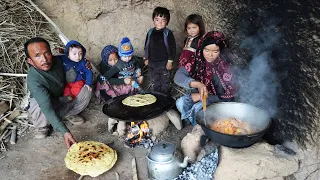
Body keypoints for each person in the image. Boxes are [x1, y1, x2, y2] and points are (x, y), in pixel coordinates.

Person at [25, 37, 92, 148]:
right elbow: (46, 106)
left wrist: (85, 63)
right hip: (48, 102)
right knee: (38, 104)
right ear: (30, 61)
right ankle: (42, 126)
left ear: (51, 53)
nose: (44, 59)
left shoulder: (59, 60)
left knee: (86, 90)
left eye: (47, 53)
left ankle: (68, 114)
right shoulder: (33, 79)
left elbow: (74, 59)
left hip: (63, 97)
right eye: (37, 56)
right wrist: (64, 131)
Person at [174, 31, 237, 126]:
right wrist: (197, 84)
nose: (210, 55)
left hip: (216, 103)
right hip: (197, 96)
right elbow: (178, 76)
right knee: (180, 103)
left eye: (215, 52)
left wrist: (202, 97)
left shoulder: (226, 67)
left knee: (198, 108)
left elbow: (230, 97)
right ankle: (194, 120)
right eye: (206, 50)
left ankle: (199, 128)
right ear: (201, 48)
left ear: (221, 51)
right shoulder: (196, 60)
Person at [96, 38, 143, 103]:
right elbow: (106, 79)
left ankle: (125, 97)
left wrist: (140, 74)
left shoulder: (123, 62)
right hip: (112, 83)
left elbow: (137, 64)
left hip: (121, 82)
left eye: (116, 59)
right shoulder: (105, 66)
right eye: (110, 60)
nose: (114, 62)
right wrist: (123, 81)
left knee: (131, 82)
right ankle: (111, 99)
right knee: (103, 84)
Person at [144, 6, 176, 95]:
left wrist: (170, 61)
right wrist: (146, 58)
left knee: (165, 81)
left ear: (167, 22)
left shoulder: (168, 33)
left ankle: (165, 98)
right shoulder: (150, 32)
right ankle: (157, 97)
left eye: (163, 20)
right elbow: (146, 45)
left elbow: (172, 48)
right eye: (157, 19)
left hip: (164, 63)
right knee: (155, 80)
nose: (160, 22)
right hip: (152, 62)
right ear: (153, 20)